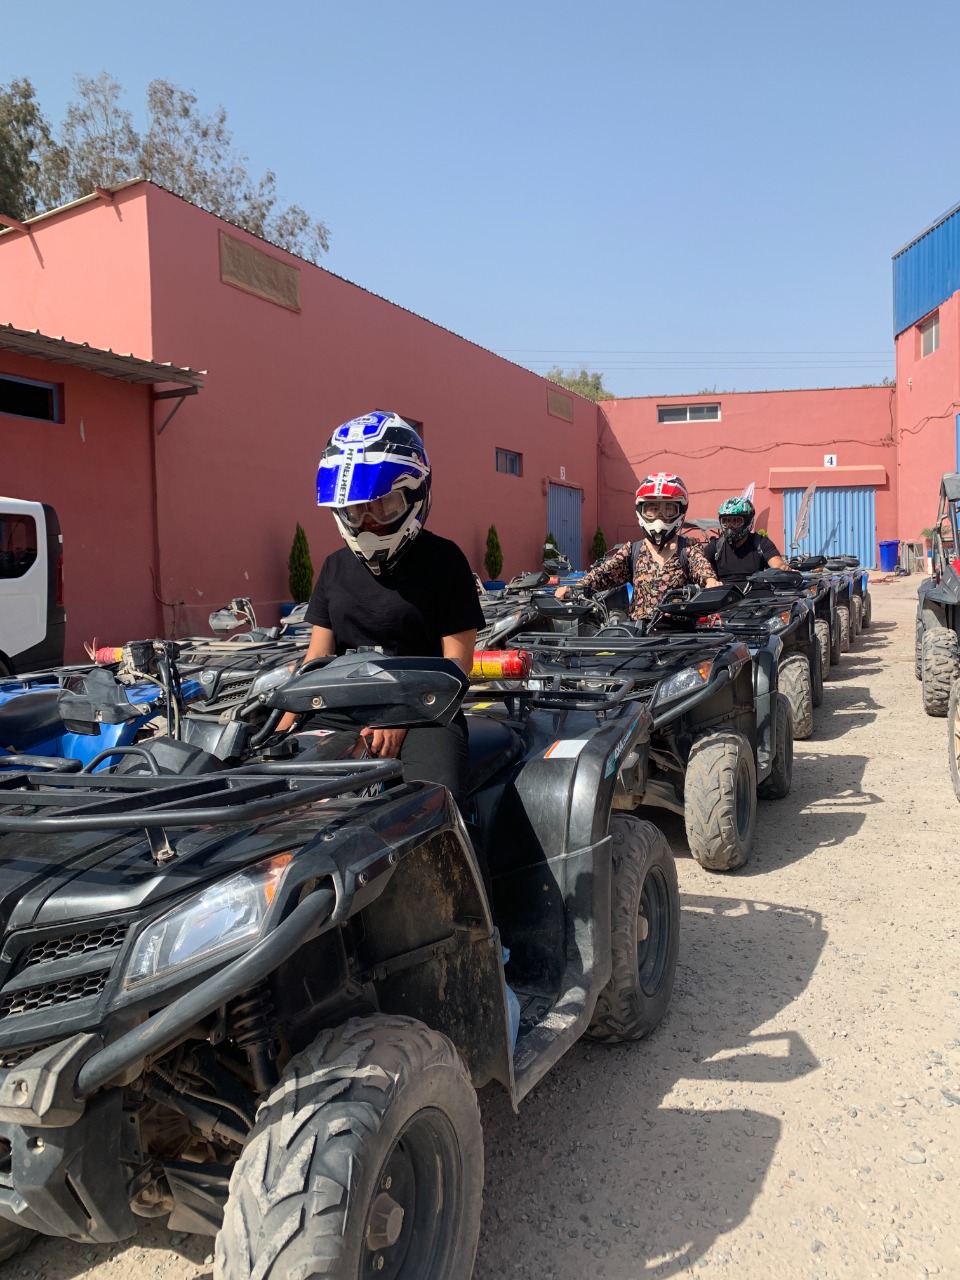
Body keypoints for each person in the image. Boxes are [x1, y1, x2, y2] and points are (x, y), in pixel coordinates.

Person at [287, 410, 485, 807]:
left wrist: (402, 717)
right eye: (355, 509)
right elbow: (316, 660)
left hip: (428, 712)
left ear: (415, 494)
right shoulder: (334, 566)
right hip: (342, 708)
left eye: (383, 505)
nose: (367, 521)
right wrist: (282, 722)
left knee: (433, 808)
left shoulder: (444, 560)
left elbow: (457, 664)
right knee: (280, 795)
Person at [556, 473, 720, 620]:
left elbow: (702, 568)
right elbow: (602, 574)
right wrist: (574, 588)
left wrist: (711, 581)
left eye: (668, 509)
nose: (659, 517)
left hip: (681, 636)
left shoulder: (688, 548)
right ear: (641, 510)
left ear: (681, 510)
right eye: (652, 509)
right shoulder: (632, 551)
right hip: (641, 636)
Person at [706, 496, 785, 584]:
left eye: (736, 521)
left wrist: (784, 569)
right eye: (726, 521)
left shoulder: (761, 542)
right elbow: (701, 565)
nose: (730, 526)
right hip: (725, 592)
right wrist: (709, 579)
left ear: (748, 521)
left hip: (757, 591)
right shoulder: (715, 546)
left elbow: (777, 564)